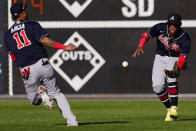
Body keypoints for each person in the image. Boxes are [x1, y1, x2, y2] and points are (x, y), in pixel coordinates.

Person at [5, 2, 78, 126]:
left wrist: (22, 68)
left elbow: (13, 56)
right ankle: (72, 121)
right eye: (24, 11)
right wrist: (64, 47)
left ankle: (41, 93)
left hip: (27, 69)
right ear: (22, 13)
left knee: (34, 101)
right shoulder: (32, 25)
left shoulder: (7, 34)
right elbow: (44, 40)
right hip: (43, 64)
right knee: (56, 93)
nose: (26, 12)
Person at [132, 13, 191, 121]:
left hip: (174, 58)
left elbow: (182, 56)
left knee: (172, 77)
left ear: (180, 24)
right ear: (168, 24)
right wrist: (140, 46)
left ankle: (174, 107)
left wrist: (179, 66)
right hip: (159, 58)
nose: (172, 26)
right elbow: (147, 34)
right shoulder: (160, 27)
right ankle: (169, 109)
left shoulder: (184, 37)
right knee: (157, 86)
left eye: (175, 24)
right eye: (170, 24)